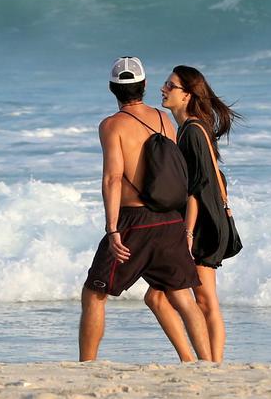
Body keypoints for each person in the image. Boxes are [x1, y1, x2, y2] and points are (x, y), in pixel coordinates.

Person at [79, 57, 211, 362]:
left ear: (112, 88)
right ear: (145, 85)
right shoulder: (166, 120)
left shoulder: (112, 125)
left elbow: (113, 177)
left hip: (133, 221)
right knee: (182, 297)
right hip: (169, 221)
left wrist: (112, 229)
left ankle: (86, 367)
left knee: (94, 294)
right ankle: (206, 364)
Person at [144, 65, 241, 363]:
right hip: (210, 220)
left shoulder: (192, 132)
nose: (163, 89)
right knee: (173, 298)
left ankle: (209, 363)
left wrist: (186, 233)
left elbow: (196, 188)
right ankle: (204, 362)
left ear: (187, 96)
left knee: (202, 300)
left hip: (204, 224)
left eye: (170, 86)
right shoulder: (191, 128)